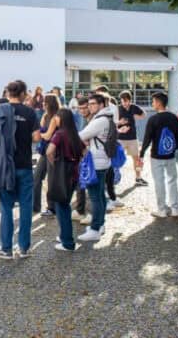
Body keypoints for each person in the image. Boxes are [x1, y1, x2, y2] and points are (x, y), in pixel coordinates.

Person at [0, 80, 40, 260]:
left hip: (5, 166)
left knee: (6, 207)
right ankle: (24, 248)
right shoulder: (30, 112)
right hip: (25, 165)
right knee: (26, 207)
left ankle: (6, 248)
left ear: (8, 93)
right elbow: (36, 138)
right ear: (24, 94)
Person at [76, 93, 115, 242]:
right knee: (99, 195)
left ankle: (95, 229)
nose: (90, 106)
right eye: (89, 103)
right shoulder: (107, 117)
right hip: (103, 160)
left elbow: (81, 135)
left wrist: (86, 139)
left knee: (95, 197)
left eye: (93, 104)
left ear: (101, 105)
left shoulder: (99, 120)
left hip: (97, 162)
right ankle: (100, 224)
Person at [46, 108, 85, 252]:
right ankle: (64, 236)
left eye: (56, 117)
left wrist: (54, 163)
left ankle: (68, 242)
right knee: (65, 204)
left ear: (61, 118)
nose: (54, 119)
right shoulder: (75, 134)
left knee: (61, 206)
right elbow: (84, 152)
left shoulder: (59, 134)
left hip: (62, 172)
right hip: (74, 172)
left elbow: (49, 151)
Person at [139, 92, 178, 218]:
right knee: (172, 180)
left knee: (159, 182)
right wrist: (174, 150)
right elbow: (177, 137)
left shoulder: (153, 119)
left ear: (158, 102)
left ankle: (161, 209)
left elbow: (147, 138)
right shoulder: (174, 117)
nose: (152, 104)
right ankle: (175, 209)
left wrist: (142, 154)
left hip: (156, 155)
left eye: (153, 101)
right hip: (170, 155)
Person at [33, 94, 62, 216]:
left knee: (51, 180)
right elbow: (40, 132)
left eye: (46, 102)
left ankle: (52, 208)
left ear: (51, 104)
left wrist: (41, 135)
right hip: (45, 150)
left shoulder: (57, 117)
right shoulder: (45, 116)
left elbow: (47, 135)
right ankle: (35, 206)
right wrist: (41, 134)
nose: (43, 104)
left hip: (54, 151)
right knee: (37, 177)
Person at [118, 90, 147, 187]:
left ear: (130, 100)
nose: (124, 103)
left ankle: (138, 177)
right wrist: (120, 123)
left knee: (136, 158)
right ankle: (113, 178)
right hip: (120, 138)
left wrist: (136, 116)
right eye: (122, 101)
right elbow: (112, 122)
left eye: (126, 101)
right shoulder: (117, 109)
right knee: (116, 157)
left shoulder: (134, 107)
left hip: (132, 138)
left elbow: (144, 115)